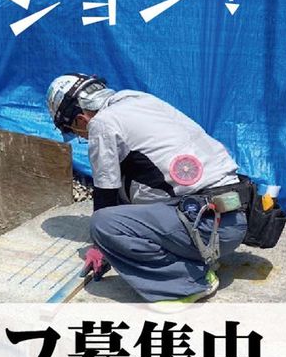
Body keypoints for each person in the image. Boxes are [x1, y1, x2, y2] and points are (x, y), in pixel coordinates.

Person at [46, 73, 249, 303]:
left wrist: (100, 244)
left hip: (210, 228)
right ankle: (195, 254)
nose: (82, 136)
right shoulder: (138, 100)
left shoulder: (102, 123)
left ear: (80, 120)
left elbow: (105, 194)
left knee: (103, 224)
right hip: (232, 214)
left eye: (75, 132)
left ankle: (188, 282)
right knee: (129, 189)